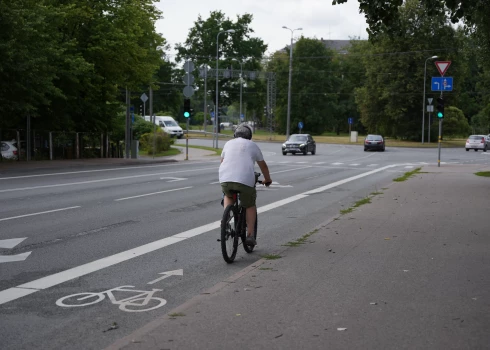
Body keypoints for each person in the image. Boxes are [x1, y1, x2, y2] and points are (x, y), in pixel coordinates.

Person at [219, 123, 272, 246]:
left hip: (225, 178)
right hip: (245, 180)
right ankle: (250, 235)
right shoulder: (253, 145)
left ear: (235, 134)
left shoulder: (228, 143)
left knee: (227, 195)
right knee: (249, 205)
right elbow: (263, 166)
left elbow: (222, 161)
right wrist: (267, 179)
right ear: (250, 136)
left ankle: (225, 218)